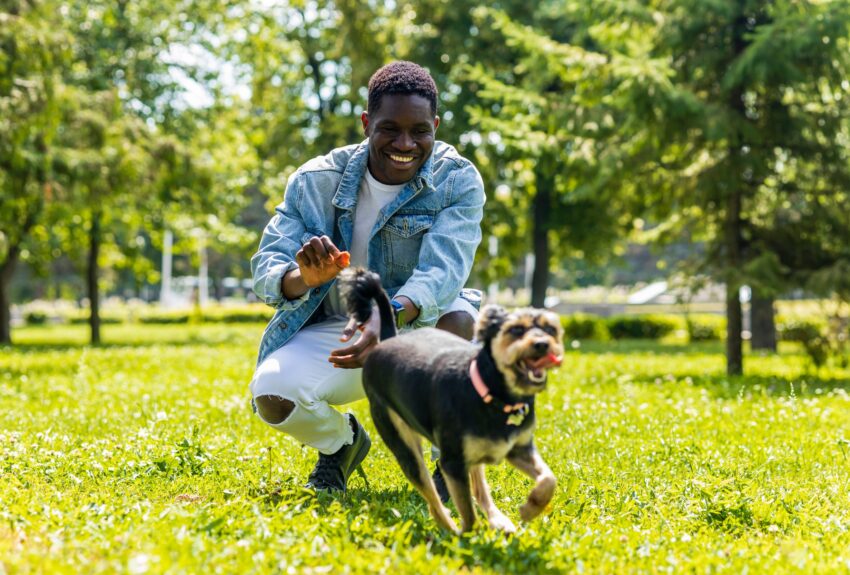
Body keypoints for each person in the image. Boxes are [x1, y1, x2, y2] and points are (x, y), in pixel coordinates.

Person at [249, 61, 485, 493]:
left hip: (421, 324)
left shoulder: (457, 180)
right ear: (366, 124)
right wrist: (302, 278)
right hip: (345, 330)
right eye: (389, 129)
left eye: (419, 131)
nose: (405, 143)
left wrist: (386, 314)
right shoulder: (316, 180)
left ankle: (449, 462)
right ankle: (342, 445)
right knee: (273, 395)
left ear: (435, 126)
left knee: (461, 320)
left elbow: (443, 272)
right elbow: (267, 268)